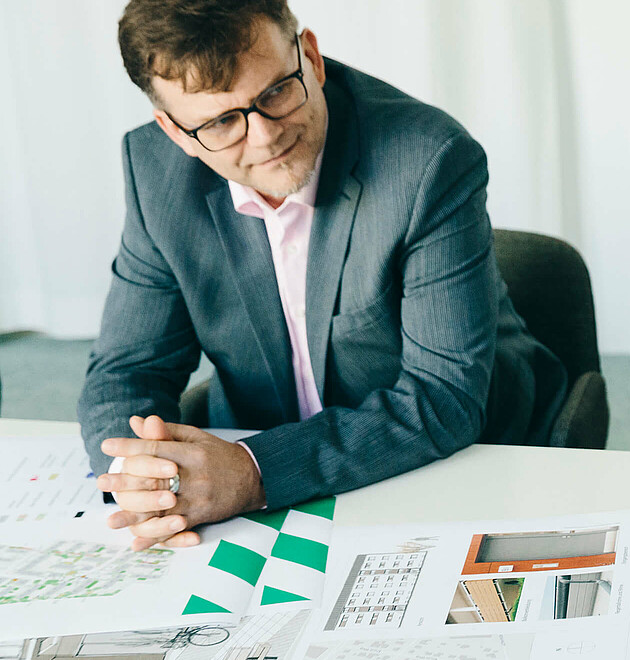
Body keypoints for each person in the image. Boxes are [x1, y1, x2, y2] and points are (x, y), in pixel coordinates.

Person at [81, 0, 567, 551]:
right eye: (221, 122)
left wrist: (251, 473)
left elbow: (444, 397)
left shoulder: (428, 158)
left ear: (309, 56)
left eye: (275, 94)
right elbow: (126, 371)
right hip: (260, 477)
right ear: (173, 131)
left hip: (447, 462)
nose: (264, 137)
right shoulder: (153, 172)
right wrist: (145, 485)